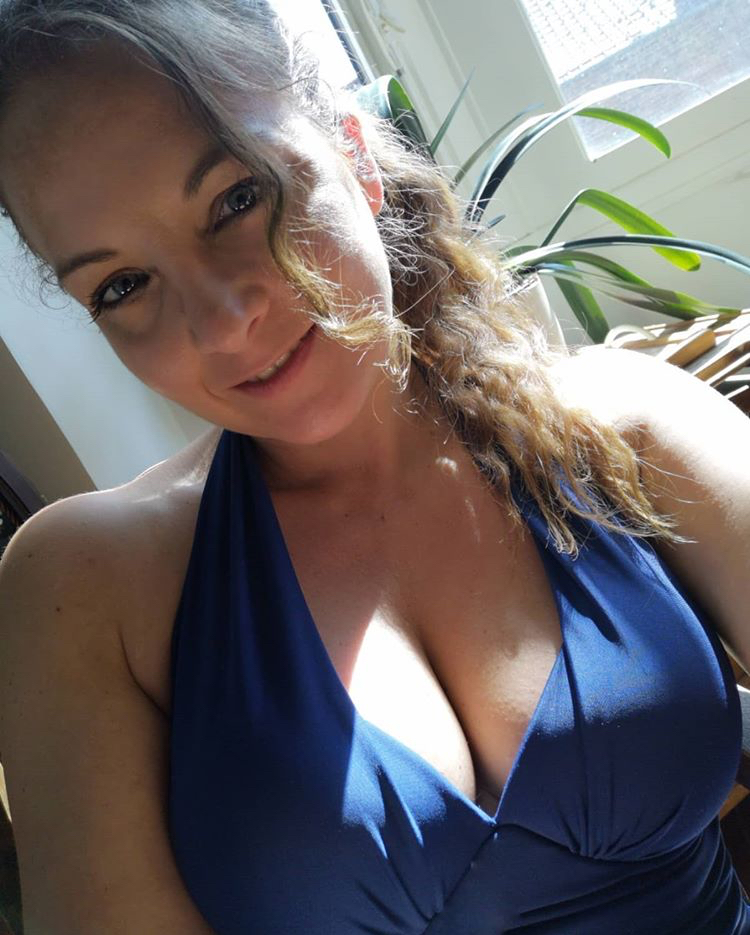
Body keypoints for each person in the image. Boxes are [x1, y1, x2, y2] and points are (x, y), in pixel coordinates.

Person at [0, 1, 748, 932]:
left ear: (354, 153)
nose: (221, 321)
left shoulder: (623, 425)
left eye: (236, 199)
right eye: (122, 285)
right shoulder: (83, 587)